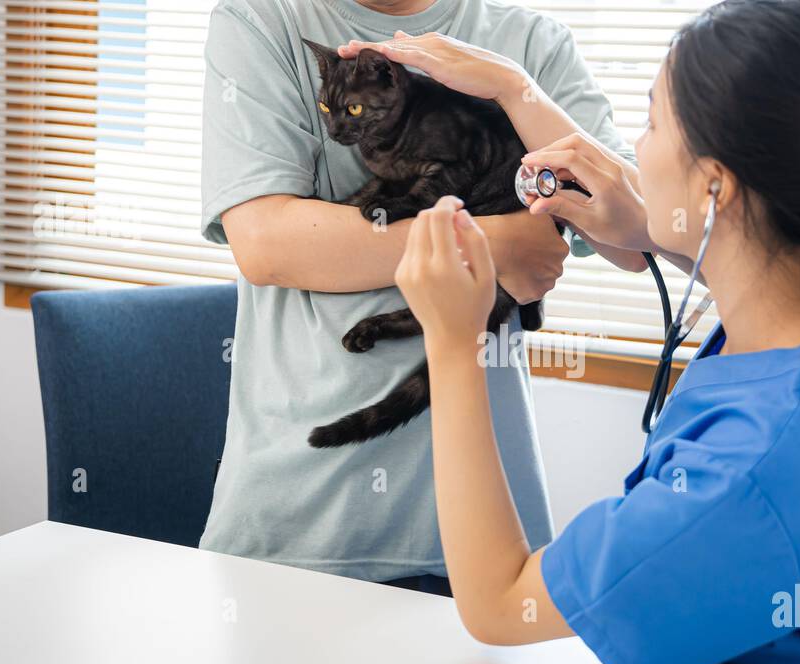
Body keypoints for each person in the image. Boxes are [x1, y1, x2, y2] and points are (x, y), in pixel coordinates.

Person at [353, 0, 800, 664]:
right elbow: (741, 247)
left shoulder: (746, 476)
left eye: (652, 122)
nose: (636, 149)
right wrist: (520, 95)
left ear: (716, 186)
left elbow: (500, 601)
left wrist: (451, 339)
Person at [198, 0, 642, 594]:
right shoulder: (264, 20)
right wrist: (494, 243)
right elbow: (264, 245)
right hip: (302, 518)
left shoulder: (528, 42)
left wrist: (516, 91)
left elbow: (635, 240)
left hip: (487, 529)